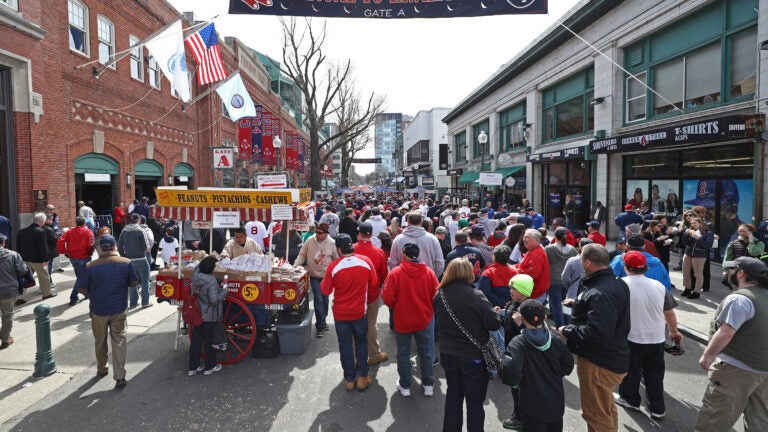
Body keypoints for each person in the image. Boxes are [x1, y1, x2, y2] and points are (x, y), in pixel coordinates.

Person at [559, 243, 630, 432]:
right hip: (611, 357)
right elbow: (609, 314)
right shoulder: (615, 282)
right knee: (605, 410)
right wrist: (581, 304)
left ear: (588, 262)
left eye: (582, 258)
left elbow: (597, 333)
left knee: (596, 415)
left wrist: (567, 331)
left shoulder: (599, 292)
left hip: (599, 363)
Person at [694, 257, 768, 431]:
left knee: (715, 418)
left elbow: (726, 332)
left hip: (737, 370)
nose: (726, 273)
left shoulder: (740, 300)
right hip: (764, 370)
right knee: (760, 420)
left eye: (731, 270)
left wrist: (707, 356)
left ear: (741, 273)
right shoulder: (764, 296)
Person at [434, 258, 501, 432]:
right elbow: (493, 324)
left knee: (453, 396)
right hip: (473, 356)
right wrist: (496, 314)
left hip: (448, 353)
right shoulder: (476, 295)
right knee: (475, 402)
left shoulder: (439, 295)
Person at [615, 251, 683, 421]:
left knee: (631, 372)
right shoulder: (658, 286)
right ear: (645, 267)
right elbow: (669, 312)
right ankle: (657, 408)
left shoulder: (621, 285)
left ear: (626, 267)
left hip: (632, 338)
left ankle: (630, 400)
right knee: (655, 374)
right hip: (656, 338)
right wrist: (674, 332)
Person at [76, 235, 139, 389]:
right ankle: (120, 376)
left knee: (100, 339)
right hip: (119, 308)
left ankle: (102, 367)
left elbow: (82, 289)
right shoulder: (126, 263)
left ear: (100, 249)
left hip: (98, 309)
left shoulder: (90, 266)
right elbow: (133, 282)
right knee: (119, 340)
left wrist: (92, 293)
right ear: (114, 247)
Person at [502, 299, 574, 432]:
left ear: (522, 319)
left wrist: (519, 382)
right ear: (545, 317)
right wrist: (554, 373)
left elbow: (510, 371)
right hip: (555, 401)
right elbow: (568, 365)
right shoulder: (555, 339)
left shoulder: (518, 342)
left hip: (531, 404)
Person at [321, 234, 379, 392]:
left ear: (338, 249)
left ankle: (349, 378)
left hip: (340, 313)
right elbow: (374, 286)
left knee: (345, 346)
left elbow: (325, 290)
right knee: (361, 342)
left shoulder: (334, 266)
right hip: (360, 310)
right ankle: (362, 376)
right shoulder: (366, 262)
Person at [382, 243, 439, 397]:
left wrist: (397, 305)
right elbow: (436, 295)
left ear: (404, 254)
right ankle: (428, 384)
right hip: (424, 318)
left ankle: (405, 385)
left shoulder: (395, 273)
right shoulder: (429, 272)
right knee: (426, 352)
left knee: (403, 353)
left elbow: (387, 298)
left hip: (403, 319)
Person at [294, 222, 339, 338]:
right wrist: (295, 266)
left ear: (326, 234)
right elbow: (302, 255)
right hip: (314, 275)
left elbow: (336, 259)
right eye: (316, 232)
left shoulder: (332, 243)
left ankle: (323, 320)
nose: (317, 235)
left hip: (327, 276)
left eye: (320, 233)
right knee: (318, 300)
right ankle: (320, 326)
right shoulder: (309, 240)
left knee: (325, 300)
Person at [353, 222, 389, 366]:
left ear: (358, 234)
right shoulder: (378, 252)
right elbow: (383, 275)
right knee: (371, 324)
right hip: (372, 292)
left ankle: (356, 357)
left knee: (354, 324)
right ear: (371, 234)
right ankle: (374, 353)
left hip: (353, 293)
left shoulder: (351, 250)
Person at [188, 256, 227, 377]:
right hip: (208, 315)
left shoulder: (195, 276)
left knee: (196, 340)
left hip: (197, 313)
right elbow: (214, 300)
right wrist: (224, 290)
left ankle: (193, 367)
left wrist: (207, 259)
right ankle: (209, 366)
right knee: (209, 340)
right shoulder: (211, 281)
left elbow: (197, 266)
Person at [389, 212, 445, 278]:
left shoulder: (398, 239)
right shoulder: (432, 238)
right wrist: (432, 276)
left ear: (408, 222)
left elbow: (393, 262)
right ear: (421, 222)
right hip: (426, 279)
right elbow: (440, 262)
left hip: (404, 280)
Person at [17, 213, 56, 301]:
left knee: (25, 278)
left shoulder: (22, 231)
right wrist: (45, 259)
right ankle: (47, 293)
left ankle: (20, 297)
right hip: (39, 260)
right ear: (42, 221)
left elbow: (18, 246)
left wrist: (20, 258)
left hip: (25, 259)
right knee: (44, 277)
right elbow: (43, 247)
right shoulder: (41, 231)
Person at [116, 213, 152, 309]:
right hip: (141, 259)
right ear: (138, 220)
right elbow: (146, 246)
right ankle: (145, 302)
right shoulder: (141, 230)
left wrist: (124, 256)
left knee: (132, 283)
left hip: (129, 260)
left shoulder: (124, 231)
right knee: (145, 281)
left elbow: (119, 247)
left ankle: (133, 303)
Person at [544, 227, 578, 327]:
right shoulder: (572, 249)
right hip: (568, 281)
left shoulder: (549, 248)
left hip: (553, 281)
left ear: (554, 236)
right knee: (566, 304)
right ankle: (567, 325)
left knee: (556, 306)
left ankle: (560, 327)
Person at [57, 216, 94, 305]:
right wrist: (90, 253)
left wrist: (64, 251)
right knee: (81, 278)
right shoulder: (88, 231)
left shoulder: (69, 231)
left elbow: (60, 241)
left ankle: (86, 293)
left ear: (76, 223)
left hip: (73, 257)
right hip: (84, 257)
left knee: (80, 277)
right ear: (84, 223)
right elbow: (90, 244)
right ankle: (73, 297)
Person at [0, 234, 28, 349]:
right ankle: (5, 339)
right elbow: (22, 271)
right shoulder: (13, 255)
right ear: (3, 243)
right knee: (7, 315)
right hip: (8, 290)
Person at [722, 224, 765, 289]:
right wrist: (725, 270)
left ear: (750, 232)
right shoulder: (733, 243)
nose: (741, 233)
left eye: (744, 231)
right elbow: (728, 258)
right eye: (740, 231)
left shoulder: (759, 243)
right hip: (737, 271)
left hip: (752, 272)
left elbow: (753, 253)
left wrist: (751, 242)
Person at [681, 217, 714, 299]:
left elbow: (708, 245)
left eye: (695, 223)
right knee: (685, 272)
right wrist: (685, 235)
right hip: (688, 253)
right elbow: (685, 243)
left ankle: (697, 292)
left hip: (699, 255)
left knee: (698, 274)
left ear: (700, 223)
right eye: (692, 223)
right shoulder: (691, 231)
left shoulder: (708, 233)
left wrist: (699, 239)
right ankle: (687, 289)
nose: (693, 225)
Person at [513, 229, 550, 301]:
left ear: (536, 240)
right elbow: (524, 265)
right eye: (524, 237)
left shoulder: (536, 254)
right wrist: (514, 267)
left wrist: (516, 270)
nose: (524, 240)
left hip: (535, 294)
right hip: (533, 292)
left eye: (527, 237)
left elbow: (532, 274)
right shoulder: (533, 250)